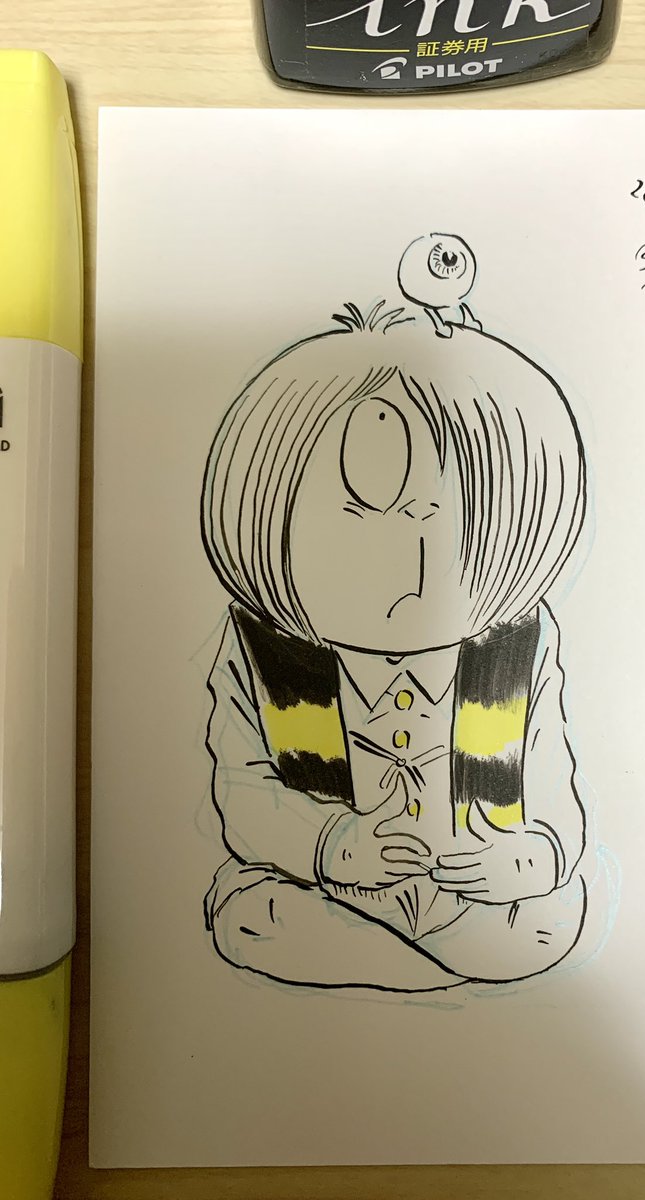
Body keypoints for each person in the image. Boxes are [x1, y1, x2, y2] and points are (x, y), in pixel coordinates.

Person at [200, 251, 589, 991]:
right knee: (252, 914)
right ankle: (411, 964)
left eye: (435, 526)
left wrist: (527, 858)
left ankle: (396, 962)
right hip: (322, 888)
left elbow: (551, 776)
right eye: (350, 523)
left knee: (548, 918)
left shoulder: (515, 648)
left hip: (471, 900)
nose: (401, 569)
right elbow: (243, 790)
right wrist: (333, 847)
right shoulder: (263, 649)